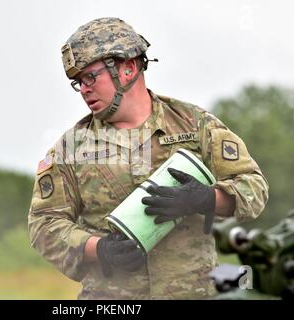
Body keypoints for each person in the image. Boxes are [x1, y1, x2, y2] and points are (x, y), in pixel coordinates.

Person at [28, 17, 269, 300]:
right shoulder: (69, 148)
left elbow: (254, 187)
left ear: (128, 68)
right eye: (77, 82)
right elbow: (44, 224)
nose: (83, 89)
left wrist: (205, 199)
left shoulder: (194, 125)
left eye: (90, 77)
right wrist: (99, 249)